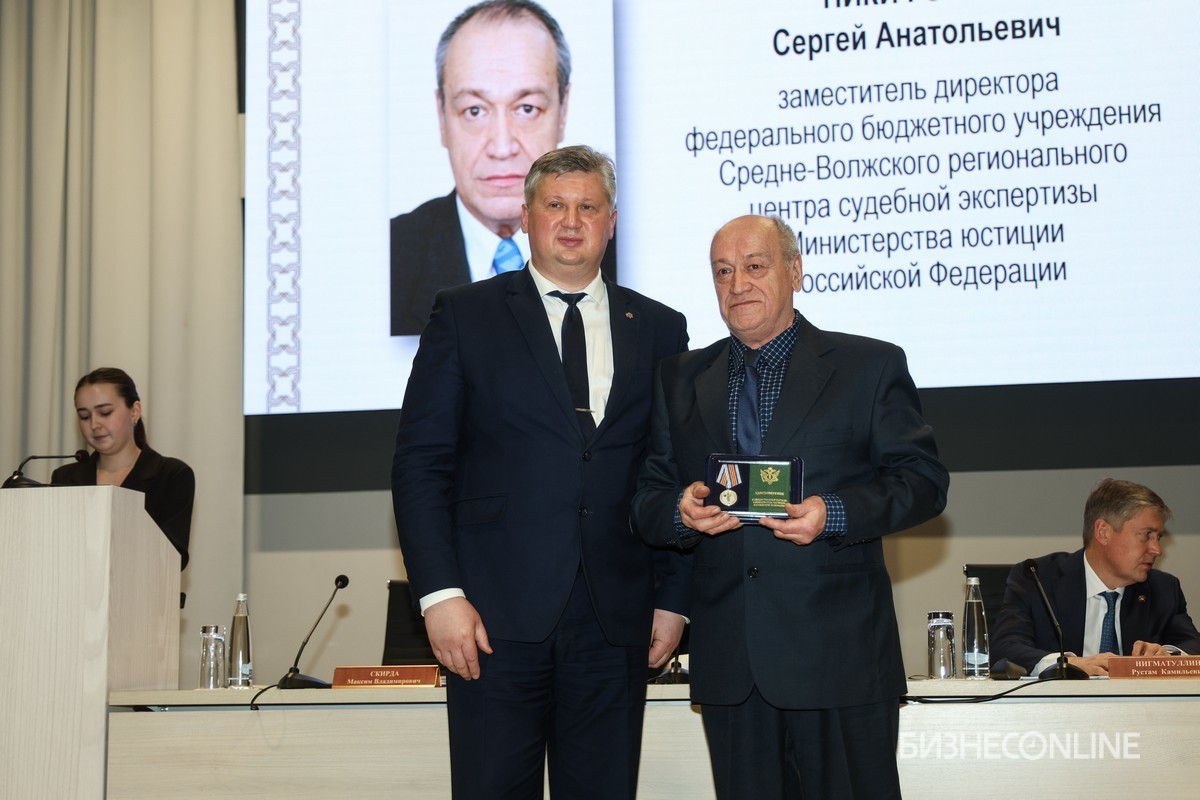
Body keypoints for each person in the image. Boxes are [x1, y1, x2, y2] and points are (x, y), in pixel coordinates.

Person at [391, 145, 689, 798]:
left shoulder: (661, 329)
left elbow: (670, 475)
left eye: (589, 207)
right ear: (526, 217)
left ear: (612, 221)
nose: (572, 221)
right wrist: (439, 596)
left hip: (616, 621)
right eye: (555, 205)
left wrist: (673, 598)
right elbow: (421, 464)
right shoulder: (464, 315)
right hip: (491, 620)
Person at [631, 215, 949, 799]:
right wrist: (680, 511)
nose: (738, 284)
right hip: (732, 666)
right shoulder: (679, 378)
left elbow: (923, 481)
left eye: (755, 266)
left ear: (795, 271)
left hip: (839, 660)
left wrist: (835, 513)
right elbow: (647, 498)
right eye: (723, 271)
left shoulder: (867, 366)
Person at [389, 0, 616, 336]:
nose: (501, 147)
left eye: (527, 108)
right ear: (441, 116)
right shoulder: (391, 255)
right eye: (475, 111)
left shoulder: (621, 249)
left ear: (563, 109)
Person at [991, 478, 1200, 677]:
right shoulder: (1037, 579)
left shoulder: (1163, 588)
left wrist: (1168, 657)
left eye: (1159, 537)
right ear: (1103, 532)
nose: (1157, 549)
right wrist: (1066, 664)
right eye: (1146, 535)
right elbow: (1005, 649)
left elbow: (1192, 645)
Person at [51, 367, 195, 569]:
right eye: (84, 416)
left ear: (135, 411)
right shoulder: (65, 477)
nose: (94, 425)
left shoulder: (171, 475)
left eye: (105, 413)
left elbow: (173, 557)